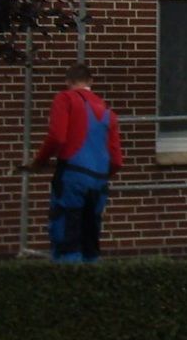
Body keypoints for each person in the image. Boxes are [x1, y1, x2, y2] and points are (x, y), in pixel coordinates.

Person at [26, 64, 123, 262]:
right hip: (99, 181)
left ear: (68, 81)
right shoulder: (107, 112)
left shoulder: (65, 99)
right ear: (91, 82)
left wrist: (39, 161)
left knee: (67, 233)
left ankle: (68, 282)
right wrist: (101, 175)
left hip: (72, 175)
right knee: (90, 237)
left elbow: (57, 137)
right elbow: (117, 160)